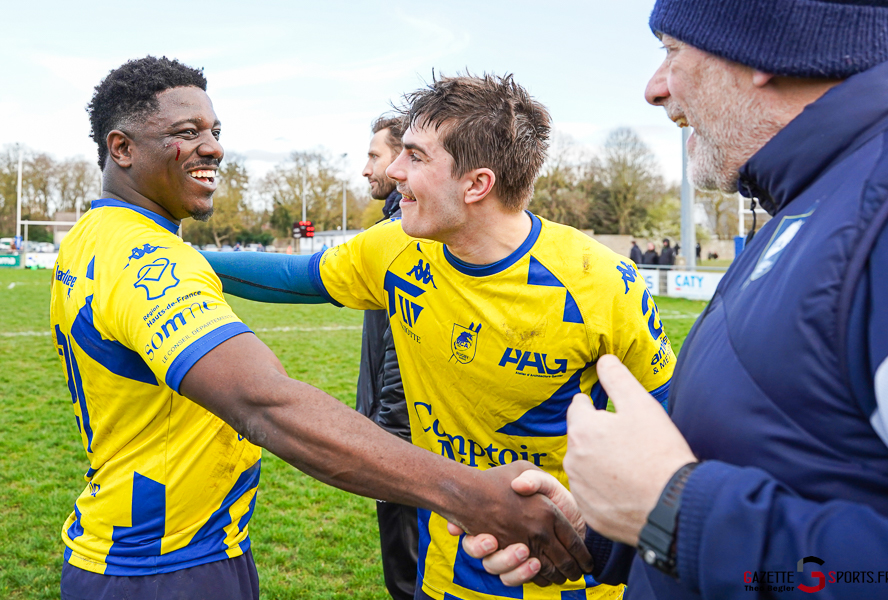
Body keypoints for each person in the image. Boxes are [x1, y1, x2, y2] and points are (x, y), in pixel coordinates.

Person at [50, 57, 593, 600]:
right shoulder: (145, 257)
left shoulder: (93, 237)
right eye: (186, 133)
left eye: (215, 131)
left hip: (141, 545)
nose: (213, 146)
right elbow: (266, 403)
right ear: (121, 148)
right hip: (164, 565)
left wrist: (189, 259)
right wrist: (472, 494)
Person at [462, 0, 888, 598]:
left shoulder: (886, 214)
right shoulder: (813, 205)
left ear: (761, 46)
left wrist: (672, 513)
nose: (655, 88)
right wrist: (605, 527)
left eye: (671, 51)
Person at [203, 73, 676, 600]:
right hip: (445, 572)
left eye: (416, 157)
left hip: (567, 576)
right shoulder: (395, 248)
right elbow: (297, 277)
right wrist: (175, 257)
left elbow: (677, 435)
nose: (395, 171)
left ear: (477, 184)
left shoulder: (601, 284)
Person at [358, 112, 418, 600]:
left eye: (374, 155)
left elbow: (402, 346)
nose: (366, 169)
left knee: (407, 575)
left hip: (401, 438)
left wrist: (387, 441)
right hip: (397, 429)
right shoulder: (396, 225)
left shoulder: (406, 233)